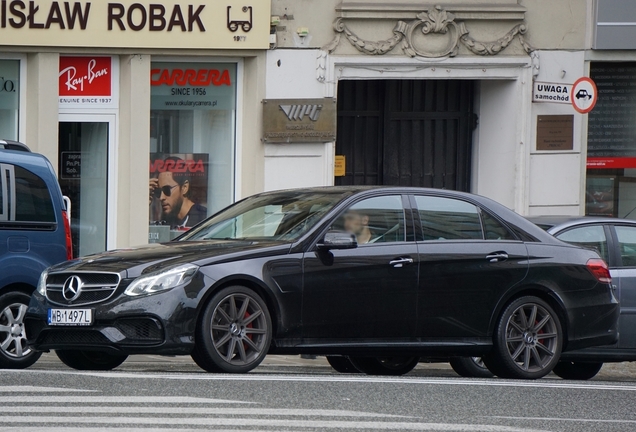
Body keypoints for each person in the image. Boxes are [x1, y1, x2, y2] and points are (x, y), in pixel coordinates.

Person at [149, 157, 207, 229]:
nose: (161, 197)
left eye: (167, 190)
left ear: (184, 188)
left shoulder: (202, 218)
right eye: (158, 191)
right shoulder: (168, 219)